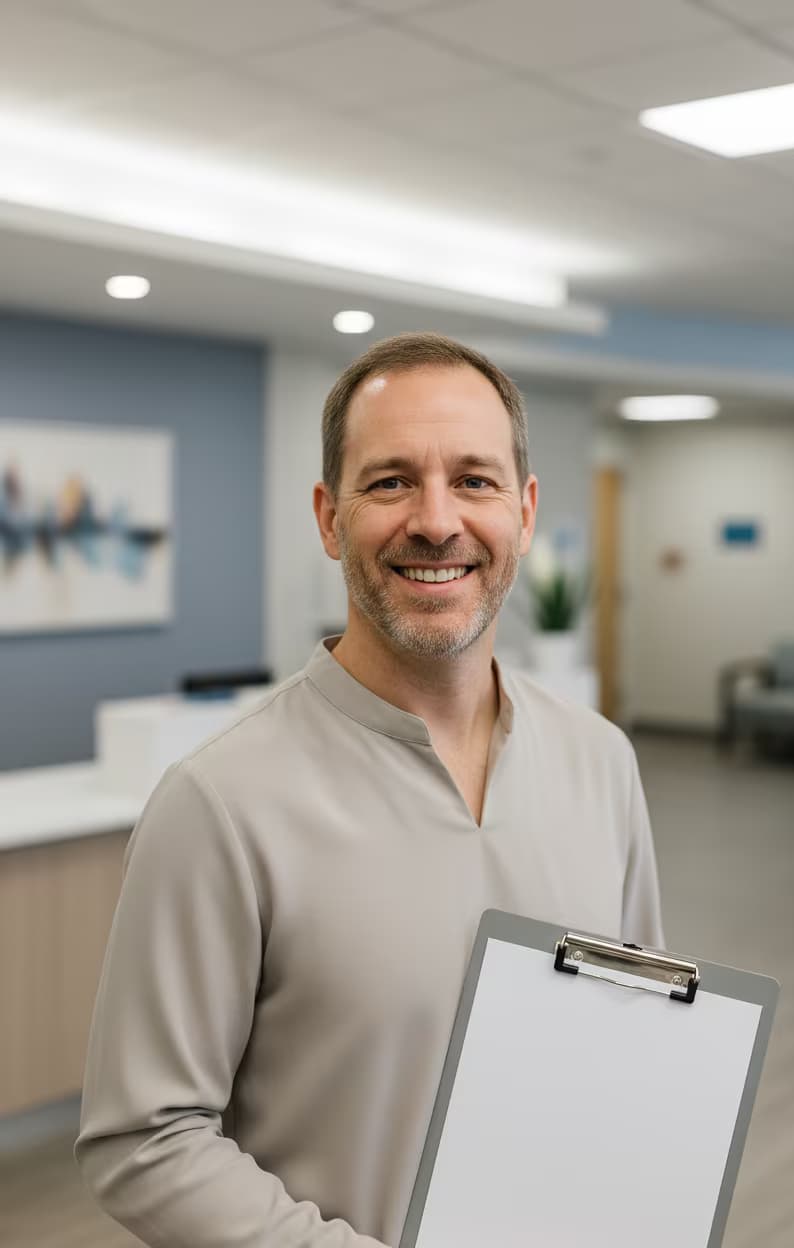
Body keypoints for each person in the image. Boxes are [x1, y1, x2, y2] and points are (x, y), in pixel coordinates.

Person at [76, 332, 663, 1247]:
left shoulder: (600, 760)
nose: (437, 521)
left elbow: (637, 1040)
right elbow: (144, 1138)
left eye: (475, 480)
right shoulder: (221, 801)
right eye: (391, 481)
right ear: (327, 517)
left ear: (526, 509)